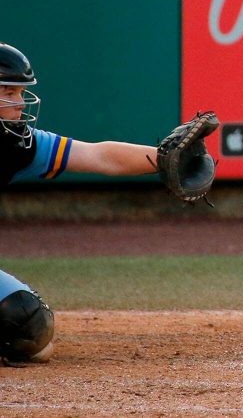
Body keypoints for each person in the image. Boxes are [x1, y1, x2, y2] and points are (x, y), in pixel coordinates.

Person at [0, 42, 217, 366]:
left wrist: (162, 160)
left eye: (20, 93)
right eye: (9, 92)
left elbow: (96, 154)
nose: (20, 103)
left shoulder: (16, 145)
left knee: (28, 324)